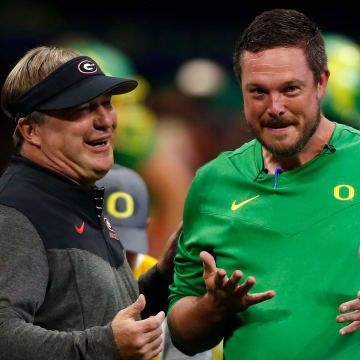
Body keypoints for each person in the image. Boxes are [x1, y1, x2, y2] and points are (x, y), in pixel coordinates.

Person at [167, 9, 360, 359]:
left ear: (321, 83)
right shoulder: (212, 183)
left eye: (290, 89)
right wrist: (214, 306)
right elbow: (183, 335)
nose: (275, 107)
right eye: (258, 92)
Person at [0, 46, 177, 360]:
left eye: (106, 104)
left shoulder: (73, 195)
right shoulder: (17, 212)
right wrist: (105, 346)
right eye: (80, 109)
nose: (105, 120)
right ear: (31, 130)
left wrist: (165, 274)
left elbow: (100, 312)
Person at [97, 164, 214, 360]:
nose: (120, 255)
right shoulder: (68, 274)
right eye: (107, 243)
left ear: (146, 228)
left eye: (128, 243)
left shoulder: (170, 283)